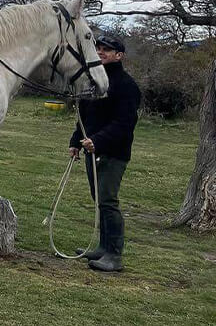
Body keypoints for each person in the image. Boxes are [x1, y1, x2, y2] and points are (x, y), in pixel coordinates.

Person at [68, 34, 140, 272]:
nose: (100, 52)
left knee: (108, 201)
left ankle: (114, 255)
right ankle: (102, 247)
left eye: (106, 50)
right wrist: (76, 141)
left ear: (119, 56)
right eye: (98, 48)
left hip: (113, 153)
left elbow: (124, 124)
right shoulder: (94, 81)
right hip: (92, 149)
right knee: (99, 199)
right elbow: (85, 116)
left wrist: (97, 141)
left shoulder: (127, 86)